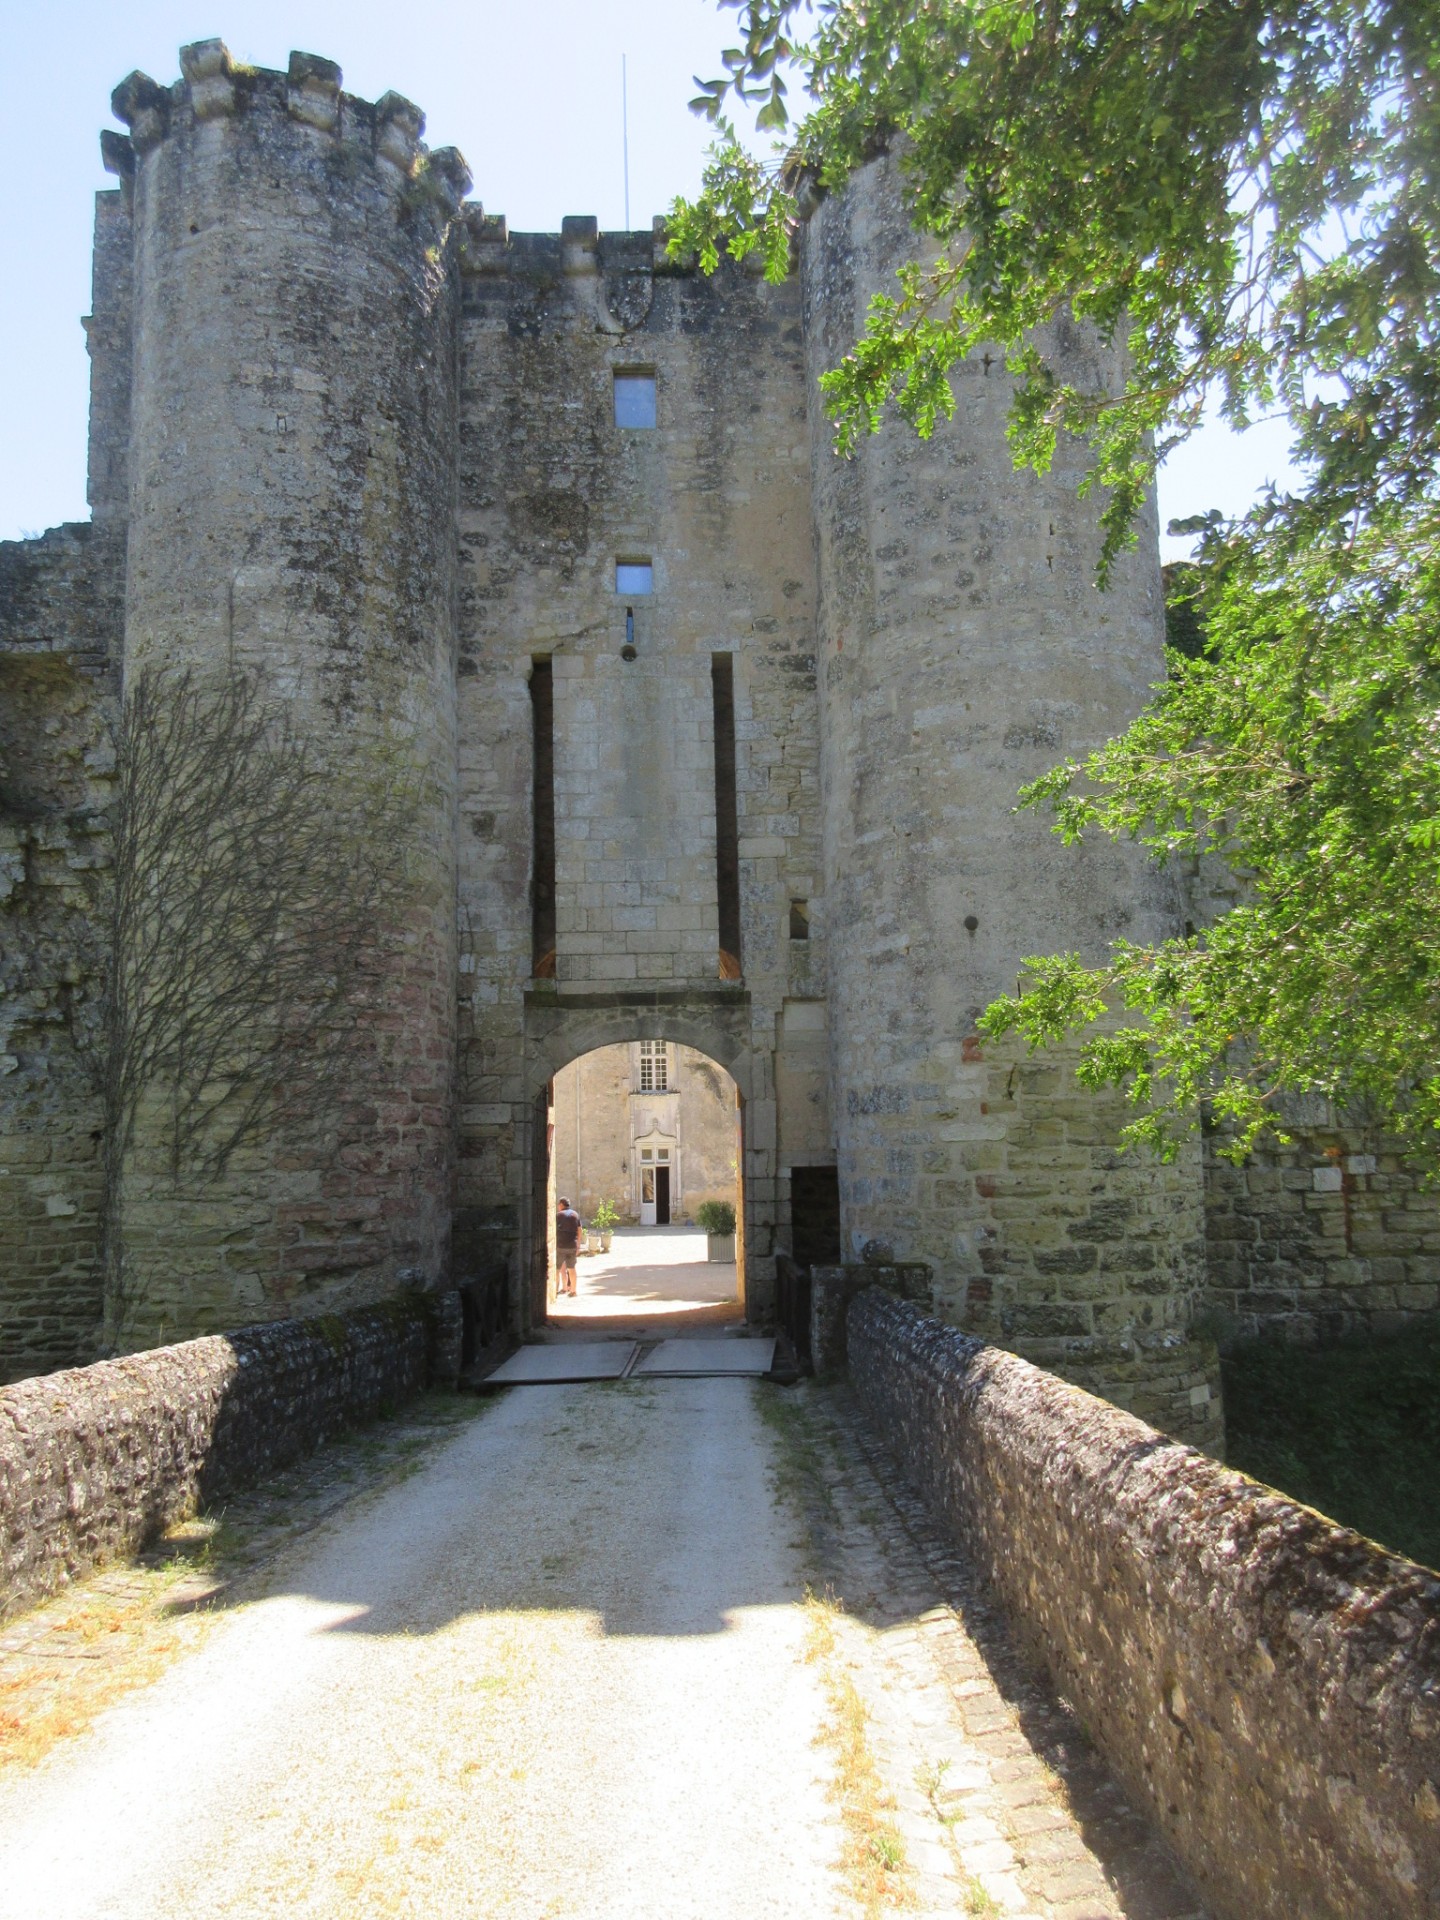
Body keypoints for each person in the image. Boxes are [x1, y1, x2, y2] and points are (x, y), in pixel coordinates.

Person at [555, 1196, 581, 1298]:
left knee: (557, 1269)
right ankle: (573, 1291)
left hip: (560, 1246)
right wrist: (578, 1245)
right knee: (571, 1268)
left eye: (558, 1205)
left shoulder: (558, 1215)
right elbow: (579, 1230)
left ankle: (556, 1290)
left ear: (561, 1205)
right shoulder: (575, 1214)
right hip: (572, 1246)